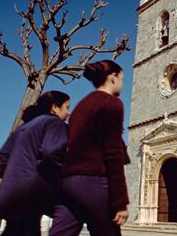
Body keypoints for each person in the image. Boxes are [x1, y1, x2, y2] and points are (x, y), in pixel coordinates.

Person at [49, 60, 130, 236]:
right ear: (113, 78)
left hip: (68, 183)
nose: (123, 84)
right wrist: (120, 201)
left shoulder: (81, 106)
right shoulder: (112, 103)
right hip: (94, 183)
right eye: (122, 78)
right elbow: (112, 151)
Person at [0, 90, 70, 236]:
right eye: (66, 107)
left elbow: (1, 159)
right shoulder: (55, 123)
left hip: (12, 192)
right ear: (54, 108)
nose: (68, 113)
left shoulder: (22, 128)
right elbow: (51, 152)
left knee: (13, 230)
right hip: (32, 193)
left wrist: (14, 177)